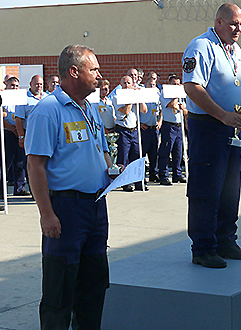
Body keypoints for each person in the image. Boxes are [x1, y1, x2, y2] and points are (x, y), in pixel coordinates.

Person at [25, 44, 116, 330]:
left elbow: (102, 151)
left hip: (95, 208)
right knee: (59, 289)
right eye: (94, 70)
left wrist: (112, 169)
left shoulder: (88, 108)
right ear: (74, 72)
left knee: (94, 285)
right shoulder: (48, 111)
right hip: (65, 210)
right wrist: (47, 214)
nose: (100, 76)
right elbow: (35, 165)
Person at [182, 3, 241, 268]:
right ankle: (203, 248)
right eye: (233, 24)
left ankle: (225, 241)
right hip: (208, 127)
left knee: (229, 190)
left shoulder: (235, 50)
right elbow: (192, 87)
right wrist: (221, 115)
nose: (238, 29)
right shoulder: (201, 46)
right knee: (206, 188)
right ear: (218, 22)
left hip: (233, 126)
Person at [111, 75, 148, 192]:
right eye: (124, 83)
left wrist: (139, 98)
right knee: (123, 157)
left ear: (133, 84)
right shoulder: (117, 95)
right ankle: (125, 183)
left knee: (136, 156)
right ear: (121, 84)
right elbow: (125, 110)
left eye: (129, 83)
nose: (127, 85)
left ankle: (138, 183)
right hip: (123, 130)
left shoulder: (134, 94)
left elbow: (144, 110)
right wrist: (132, 98)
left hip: (134, 130)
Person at [1, 76, 29, 197]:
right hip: (7, 133)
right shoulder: (3, 97)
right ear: (6, 85)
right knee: (5, 162)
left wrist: (19, 131)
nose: (14, 88)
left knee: (20, 161)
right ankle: (1, 190)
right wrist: (12, 129)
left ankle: (20, 187)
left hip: (19, 132)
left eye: (16, 86)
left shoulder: (21, 98)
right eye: (12, 85)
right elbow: (2, 117)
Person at [158, 75, 186, 185]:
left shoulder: (181, 96)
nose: (177, 86)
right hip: (169, 126)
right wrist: (176, 95)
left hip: (179, 126)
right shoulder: (165, 94)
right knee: (166, 151)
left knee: (178, 152)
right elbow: (172, 105)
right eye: (174, 84)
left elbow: (185, 109)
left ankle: (177, 174)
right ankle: (163, 175)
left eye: (178, 84)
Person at [141, 78, 162, 183]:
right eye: (150, 84)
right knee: (143, 154)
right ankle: (142, 176)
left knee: (154, 153)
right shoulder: (142, 94)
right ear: (146, 85)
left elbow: (161, 109)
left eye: (154, 84)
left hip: (154, 128)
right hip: (145, 128)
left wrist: (160, 121)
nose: (152, 86)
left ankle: (154, 174)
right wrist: (139, 124)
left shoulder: (157, 94)